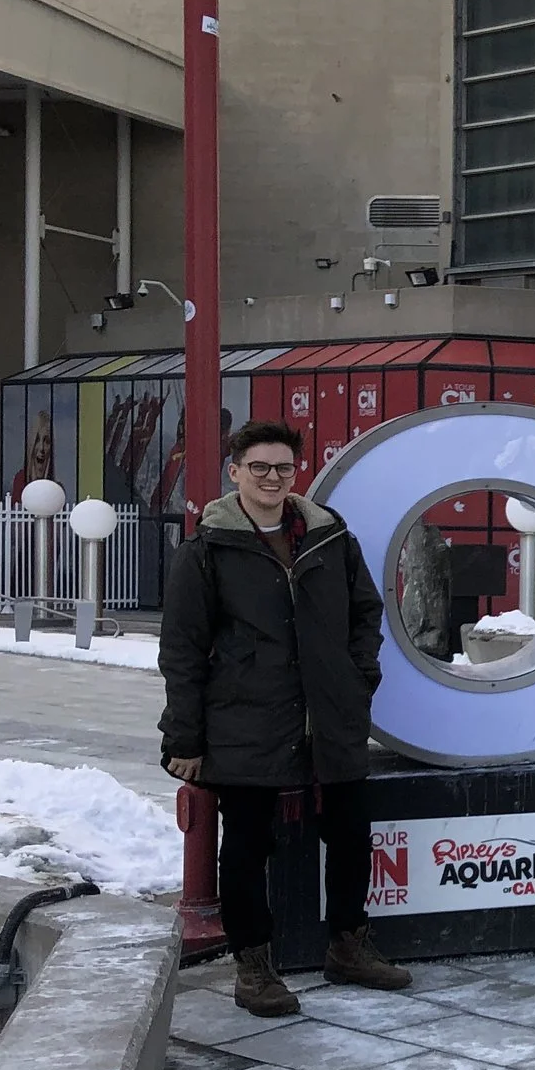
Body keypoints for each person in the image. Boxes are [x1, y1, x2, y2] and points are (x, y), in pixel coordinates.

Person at [159, 419, 409, 1015]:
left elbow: (365, 613)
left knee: (351, 837)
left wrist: (356, 680)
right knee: (247, 847)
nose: (273, 478)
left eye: (283, 468)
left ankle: (349, 945)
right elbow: (183, 651)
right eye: (260, 467)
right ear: (235, 471)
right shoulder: (208, 551)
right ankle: (254, 969)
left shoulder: (328, 538)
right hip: (245, 724)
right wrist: (184, 737)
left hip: (330, 718)